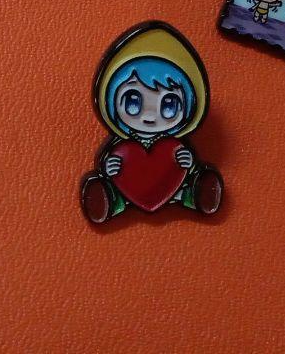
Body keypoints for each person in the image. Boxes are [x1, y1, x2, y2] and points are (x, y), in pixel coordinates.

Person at [81, 21, 223, 224]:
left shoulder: (175, 147)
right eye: (133, 102)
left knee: (187, 185)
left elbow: (186, 162)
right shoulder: (122, 149)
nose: (149, 117)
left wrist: (187, 162)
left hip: (172, 185)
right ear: (110, 101)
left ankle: (198, 193)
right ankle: (106, 199)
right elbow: (109, 160)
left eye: (168, 105)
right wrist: (110, 166)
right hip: (127, 186)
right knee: (114, 189)